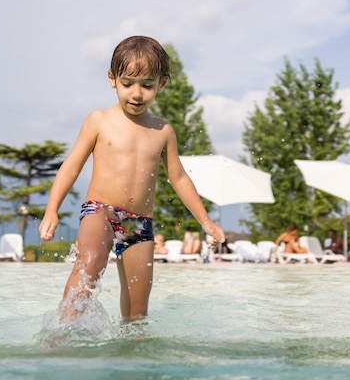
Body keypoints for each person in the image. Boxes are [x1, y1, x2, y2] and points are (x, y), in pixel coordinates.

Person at [38, 36, 225, 322]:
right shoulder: (99, 120)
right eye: (128, 83)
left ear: (161, 84)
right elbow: (72, 166)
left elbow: (179, 178)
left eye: (147, 86)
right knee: (90, 262)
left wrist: (206, 220)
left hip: (137, 222)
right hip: (100, 210)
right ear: (113, 80)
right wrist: (52, 209)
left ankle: (132, 355)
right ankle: (61, 335)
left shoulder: (163, 130)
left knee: (138, 310)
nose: (136, 93)